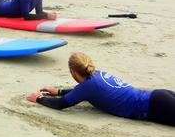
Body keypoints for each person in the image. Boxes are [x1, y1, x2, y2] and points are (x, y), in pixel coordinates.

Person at [27, 52, 175, 126]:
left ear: (72, 72)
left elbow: (61, 104)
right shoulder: (97, 74)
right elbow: (80, 91)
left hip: (155, 106)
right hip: (158, 96)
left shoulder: (87, 87)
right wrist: (57, 91)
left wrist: (39, 98)